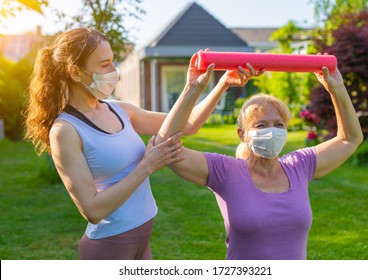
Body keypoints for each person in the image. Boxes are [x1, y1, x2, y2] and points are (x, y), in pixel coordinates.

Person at [24, 27, 258, 260]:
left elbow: (187, 125)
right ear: (75, 72)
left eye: (113, 62)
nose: (114, 71)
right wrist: (147, 165)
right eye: (104, 65)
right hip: (109, 247)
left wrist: (219, 84)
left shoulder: (118, 109)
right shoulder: (65, 130)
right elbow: (92, 210)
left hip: (142, 241)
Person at [155, 59, 364, 260]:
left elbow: (350, 139)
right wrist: (192, 89)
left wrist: (337, 88)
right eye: (261, 125)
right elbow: (165, 145)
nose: (271, 131)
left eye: (279, 125)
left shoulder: (299, 165)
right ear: (242, 134)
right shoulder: (226, 171)